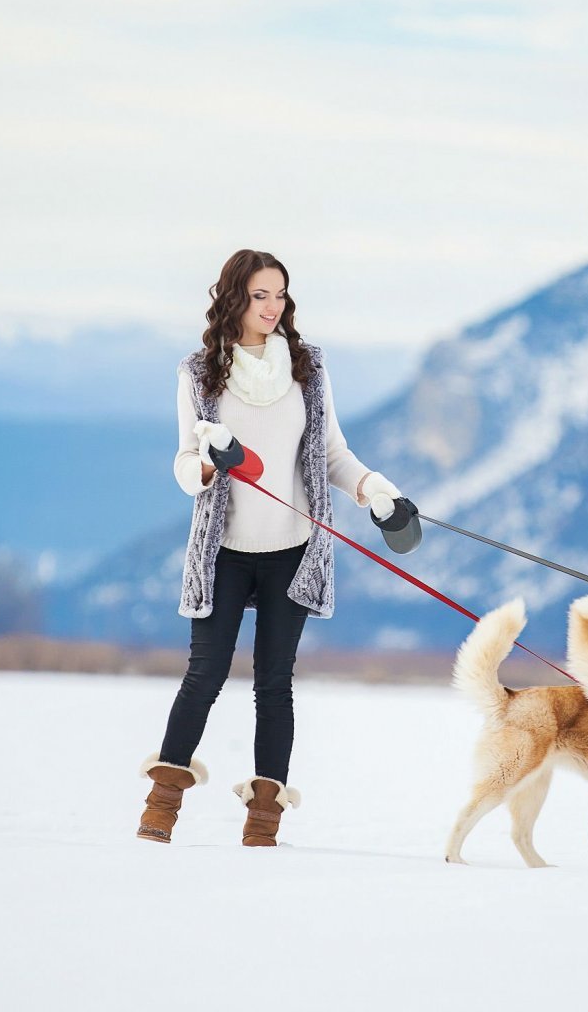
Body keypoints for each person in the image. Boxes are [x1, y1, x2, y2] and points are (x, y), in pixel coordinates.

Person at [136, 248, 408, 847]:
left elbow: (332, 453)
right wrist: (211, 460)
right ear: (234, 297)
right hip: (224, 552)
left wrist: (374, 490)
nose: (273, 306)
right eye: (260, 295)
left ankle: (263, 822)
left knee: (274, 683)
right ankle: (161, 808)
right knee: (203, 674)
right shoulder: (200, 372)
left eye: (280, 295)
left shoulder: (307, 367)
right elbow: (184, 466)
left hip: (293, 548)